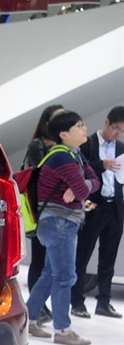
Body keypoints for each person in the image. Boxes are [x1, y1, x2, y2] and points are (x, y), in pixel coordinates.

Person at [27, 110, 99, 345]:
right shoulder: (62, 157)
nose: (84, 128)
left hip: (61, 222)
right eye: (79, 126)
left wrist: (81, 186)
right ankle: (63, 330)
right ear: (64, 134)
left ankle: (29, 319)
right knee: (65, 276)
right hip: (59, 222)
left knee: (51, 274)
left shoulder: (75, 154)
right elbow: (83, 190)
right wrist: (81, 187)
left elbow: (93, 182)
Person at [70, 106, 124, 319]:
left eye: (122, 131)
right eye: (116, 128)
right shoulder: (88, 144)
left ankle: (104, 302)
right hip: (92, 205)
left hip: (115, 207)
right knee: (83, 254)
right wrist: (102, 165)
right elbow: (79, 171)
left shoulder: (121, 148)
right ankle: (76, 301)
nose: (117, 134)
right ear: (106, 122)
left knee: (109, 257)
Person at [23, 104, 65, 322]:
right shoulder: (37, 145)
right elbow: (43, 173)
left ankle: (39, 304)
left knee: (52, 262)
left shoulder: (64, 145)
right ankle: (35, 306)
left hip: (58, 209)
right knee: (39, 259)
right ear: (47, 122)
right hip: (41, 207)